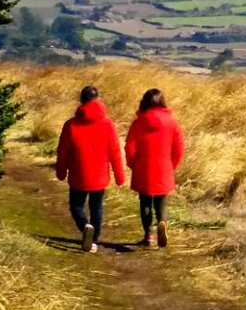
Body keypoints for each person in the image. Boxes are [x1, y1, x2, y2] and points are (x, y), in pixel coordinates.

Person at [55, 85, 126, 253]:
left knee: (76, 206)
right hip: (100, 175)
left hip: (78, 174)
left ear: (81, 100)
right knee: (97, 208)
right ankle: (93, 241)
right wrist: (120, 176)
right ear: (98, 99)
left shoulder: (71, 125)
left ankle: (85, 226)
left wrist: (61, 172)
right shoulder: (108, 124)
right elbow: (115, 152)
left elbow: (63, 151)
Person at [125, 88, 185, 248]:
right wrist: (171, 165)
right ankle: (162, 222)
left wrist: (133, 164)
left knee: (145, 203)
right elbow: (179, 148)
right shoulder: (172, 124)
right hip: (164, 168)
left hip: (143, 168)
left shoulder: (138, 123)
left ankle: (148, 235)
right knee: (162, 202)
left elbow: (130, 147)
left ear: (144, 102)